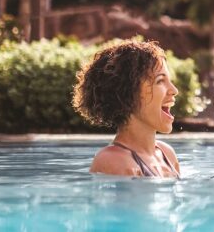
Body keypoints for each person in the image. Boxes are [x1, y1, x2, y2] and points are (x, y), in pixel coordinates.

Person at [72, 40, 181, 178]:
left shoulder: (167, 155)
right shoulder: (114, 160)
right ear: (128, 93)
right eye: (160, 81)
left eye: (169, 81)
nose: (174, 90)